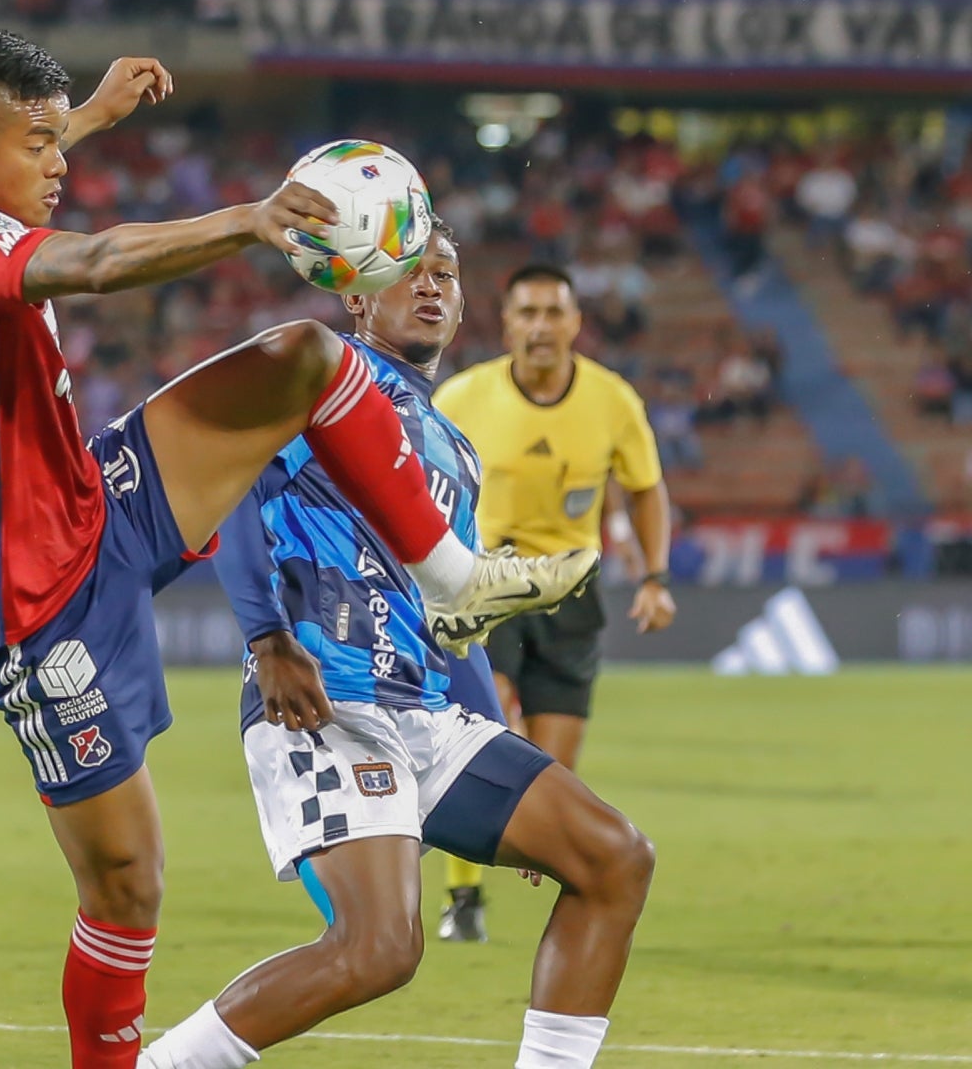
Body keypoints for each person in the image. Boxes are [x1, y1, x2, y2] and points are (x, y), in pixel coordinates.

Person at [0, 32, 594, 1069]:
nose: (59, 164)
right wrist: (250, 222)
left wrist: (96, 115)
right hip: (31, 602)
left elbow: (21, 156)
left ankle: (451, 575)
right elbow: (102, 261)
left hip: (93, 501)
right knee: (128, 886)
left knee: (303, 356)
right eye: (41, 146)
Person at [138, 221, 652, 1069]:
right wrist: (267, 639)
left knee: (613, 857)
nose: (431, 286)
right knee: (379, 949)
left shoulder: (456, 446)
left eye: (446, 275)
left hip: (428, 710)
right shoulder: (325, 378)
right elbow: (235, 493)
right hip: (324, 696)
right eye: (409, 271)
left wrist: (507, 754)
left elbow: (455, 612)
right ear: (354, 294)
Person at [431, 264, 675, 943]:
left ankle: (545, 867)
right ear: (507, 323)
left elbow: (646, 488)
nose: (540, 327)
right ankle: (464, 896)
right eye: (527, 313)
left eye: (552, 313)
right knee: (489, 728)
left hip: (573, 592)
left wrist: (656, 576)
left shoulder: (613, 400)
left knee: (552, 766)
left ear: (575, 323)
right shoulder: (461, 397)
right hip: (485, 585)